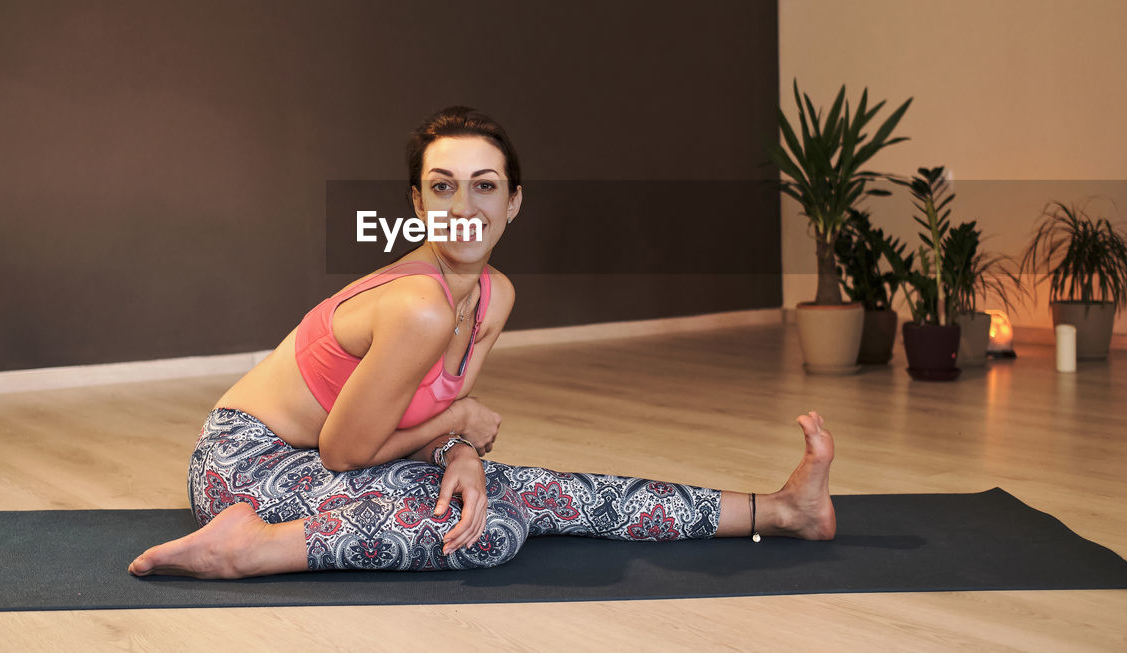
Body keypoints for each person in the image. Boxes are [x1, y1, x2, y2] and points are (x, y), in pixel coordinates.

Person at [129, 106, 836, 578]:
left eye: (485, 186)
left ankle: (781, 510)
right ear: (416, 202)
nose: (464, 208)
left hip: (332, 462)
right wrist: (458, 427)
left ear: (514, 201)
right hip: (247, 465)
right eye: (442, 187)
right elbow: (345, 452)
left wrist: (461, 450)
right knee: (490, 527)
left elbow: (427, 415)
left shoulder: (494, 294)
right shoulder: (416, 307)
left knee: (517, 496)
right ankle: (248, 549)